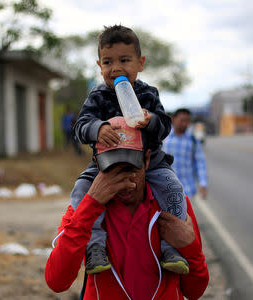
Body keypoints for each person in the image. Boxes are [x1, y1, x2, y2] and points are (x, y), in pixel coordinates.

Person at [45, 118, 209, 299]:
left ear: (147, 160)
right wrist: (90, 206)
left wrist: (189, 247)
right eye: (112, 169)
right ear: (97, 164)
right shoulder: (82, 209)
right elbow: (57, 281)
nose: (124, 181)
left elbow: (195, 291)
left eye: (131, 168)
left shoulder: (173, 206)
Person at [71, 25, 188, 275]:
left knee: (173, 188)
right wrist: (97, 128)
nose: (116, 68)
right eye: (107, 62)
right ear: (99, 66)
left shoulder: (148, 94)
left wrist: (151, 120)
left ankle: (171, 247)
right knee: (81, 190)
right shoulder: (97, 96)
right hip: (105, 162)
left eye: (125, 60)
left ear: (140, 63)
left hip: (150, 162)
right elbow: (80, 127)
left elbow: (165, 126)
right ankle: (95, 247)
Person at [163, 108, 208, 199]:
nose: (185, 124)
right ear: (173, 119)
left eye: (187, 121)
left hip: (187, 191)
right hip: (166, 191)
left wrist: (203, 183)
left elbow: (200, 162)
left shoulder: (193, 140)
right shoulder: (164, 138)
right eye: (182, 120)